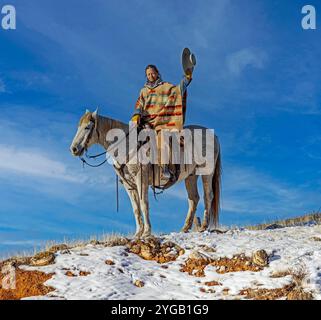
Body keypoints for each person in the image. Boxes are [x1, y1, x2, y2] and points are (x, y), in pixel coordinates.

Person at [131, 64, 193, 183]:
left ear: (157, 73)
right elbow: (139, 104)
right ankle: (128, 170)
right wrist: (136, 115)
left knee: (162, 137)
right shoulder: (143, 91)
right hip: (145, 122)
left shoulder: (165, 87)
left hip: (161, 122)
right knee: (129, 137)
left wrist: (187, 78)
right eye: (148, 74)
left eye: (152, 73)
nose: (151, 76)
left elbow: (178, 90)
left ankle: (164, 168)